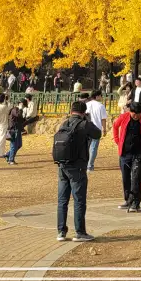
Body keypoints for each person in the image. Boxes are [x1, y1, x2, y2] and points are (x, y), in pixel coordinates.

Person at [53, 100, 101, 241]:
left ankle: (61, 232)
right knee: (79, 200)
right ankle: (80, 232)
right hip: (78, 166)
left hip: (62, 165)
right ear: (83, 112)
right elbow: (97, 134)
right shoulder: (84, 124)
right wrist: (88, 120)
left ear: (71, 110)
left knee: (62, 200)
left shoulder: (64, 123)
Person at [113, 100, 141, 212]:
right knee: (126, 178)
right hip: (124, 153)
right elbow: (115, 126)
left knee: (136, 178)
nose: (136, 116)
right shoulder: (123, 117)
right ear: (130, 111)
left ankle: (135, 203)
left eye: (138, 114)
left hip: (138, 153)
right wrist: (117, 140)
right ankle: (127, 200)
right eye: (134, 114)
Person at [84, 90, 108, 172]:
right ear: (97, 96)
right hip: (96, 129)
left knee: (86, 147)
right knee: (93, 148)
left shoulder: (87, 104)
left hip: (86, 128)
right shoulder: (101, 106)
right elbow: (103, 119)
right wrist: (104, 129)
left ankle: (85, 164)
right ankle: (90, 166)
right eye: (101, 95)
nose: (101, 97)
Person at [5, 97, 27, 165]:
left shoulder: (19, 110)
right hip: (13, 130)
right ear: (20, 104)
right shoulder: (15, 109)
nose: (24, 107)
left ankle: (8, 154)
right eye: (23, 105)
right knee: (13, 146)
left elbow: (20, 120)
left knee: (19, 145)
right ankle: (11, 160)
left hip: (18, 130)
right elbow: (18, 115)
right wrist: (20, 108)